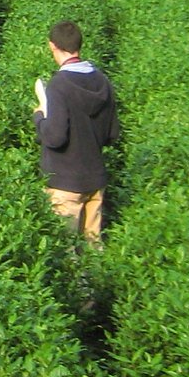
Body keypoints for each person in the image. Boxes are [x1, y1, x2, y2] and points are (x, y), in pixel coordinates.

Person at [33, 20, 121, 246]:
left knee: (66, 250)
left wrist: (40, 117)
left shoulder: (58, 85)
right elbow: (112, 133)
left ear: (52, 46)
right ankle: (96, 282)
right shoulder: (102, 81)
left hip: (65, 183)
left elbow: (55, 137)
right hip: (95, 179)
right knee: (93, 246)